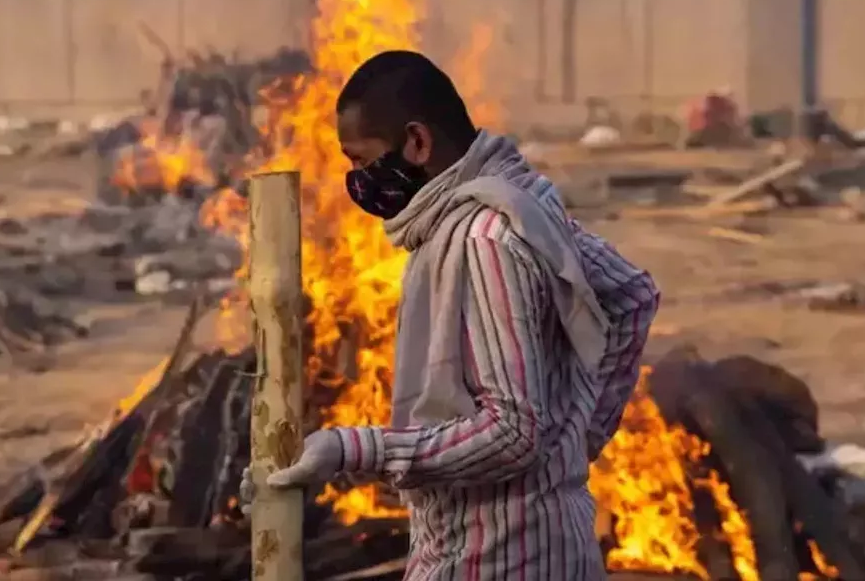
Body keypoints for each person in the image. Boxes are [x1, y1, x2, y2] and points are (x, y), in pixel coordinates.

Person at [242, 50, 660, 580]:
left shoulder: (484, 239)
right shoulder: (518, 202)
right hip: (509, 544)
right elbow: (632, 295)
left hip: (499, 558)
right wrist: (578, 436)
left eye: (360, 161)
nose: (359, 182)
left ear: (416, 142)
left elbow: (512, 431)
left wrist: (355, 447)